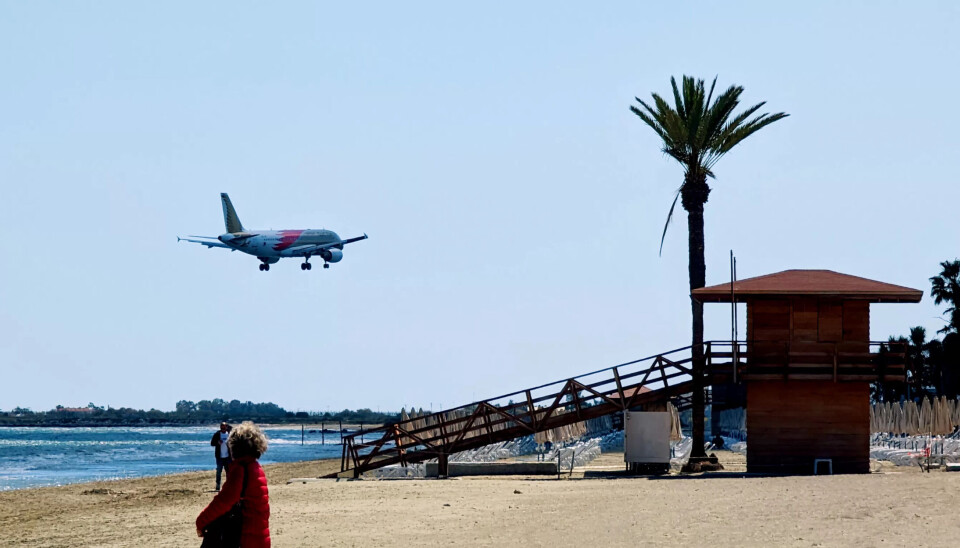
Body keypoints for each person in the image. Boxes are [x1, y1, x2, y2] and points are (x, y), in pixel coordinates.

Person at [197, 421, 271, 547]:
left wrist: (201, 521)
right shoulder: (256, 467)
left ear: (235, 447)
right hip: (259, 534)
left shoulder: (241, 469)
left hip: (245, 537)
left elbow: (224, 500)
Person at [210, 422, 232, 491]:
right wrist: (217, 443)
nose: (222, 428)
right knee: (219, 471)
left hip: (228, 457)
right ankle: (218, 485)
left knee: (228, 472)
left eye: (224, 427)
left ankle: (228, 485)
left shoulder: (229, 434)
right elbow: (212, 443)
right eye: (221, 427)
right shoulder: (217, 434)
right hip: (219, 457)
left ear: (226, 427)